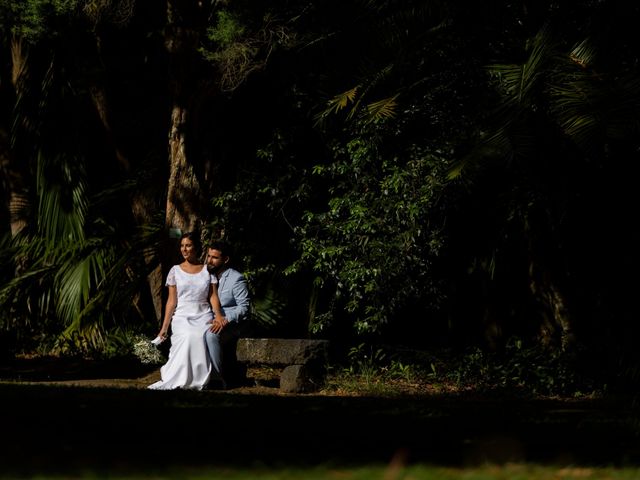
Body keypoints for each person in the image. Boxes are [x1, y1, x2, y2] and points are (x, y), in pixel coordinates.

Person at [148, 232, 225, 390]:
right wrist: (164, 327)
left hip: (203, 315)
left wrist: (218, 316)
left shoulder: (207, 271)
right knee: (189, 336)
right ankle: (180, 377)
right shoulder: (175, 271)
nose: (184, 249)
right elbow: (171, 301)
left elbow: (213, 297)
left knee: (199, 335)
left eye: (188, 245)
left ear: (196, 247)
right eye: (182, 246)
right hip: (182, 316)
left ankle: (204, 378)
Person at [205, 240, 251, 388]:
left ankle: (216, 379)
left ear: (225, 259)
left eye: (215, 257)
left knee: (211, 335)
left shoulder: (236, 278)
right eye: (208, 256)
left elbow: (244, 307)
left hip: (230, 325)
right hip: (207, 319)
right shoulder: (203, 275)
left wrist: (225, 319)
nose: (209, 260)